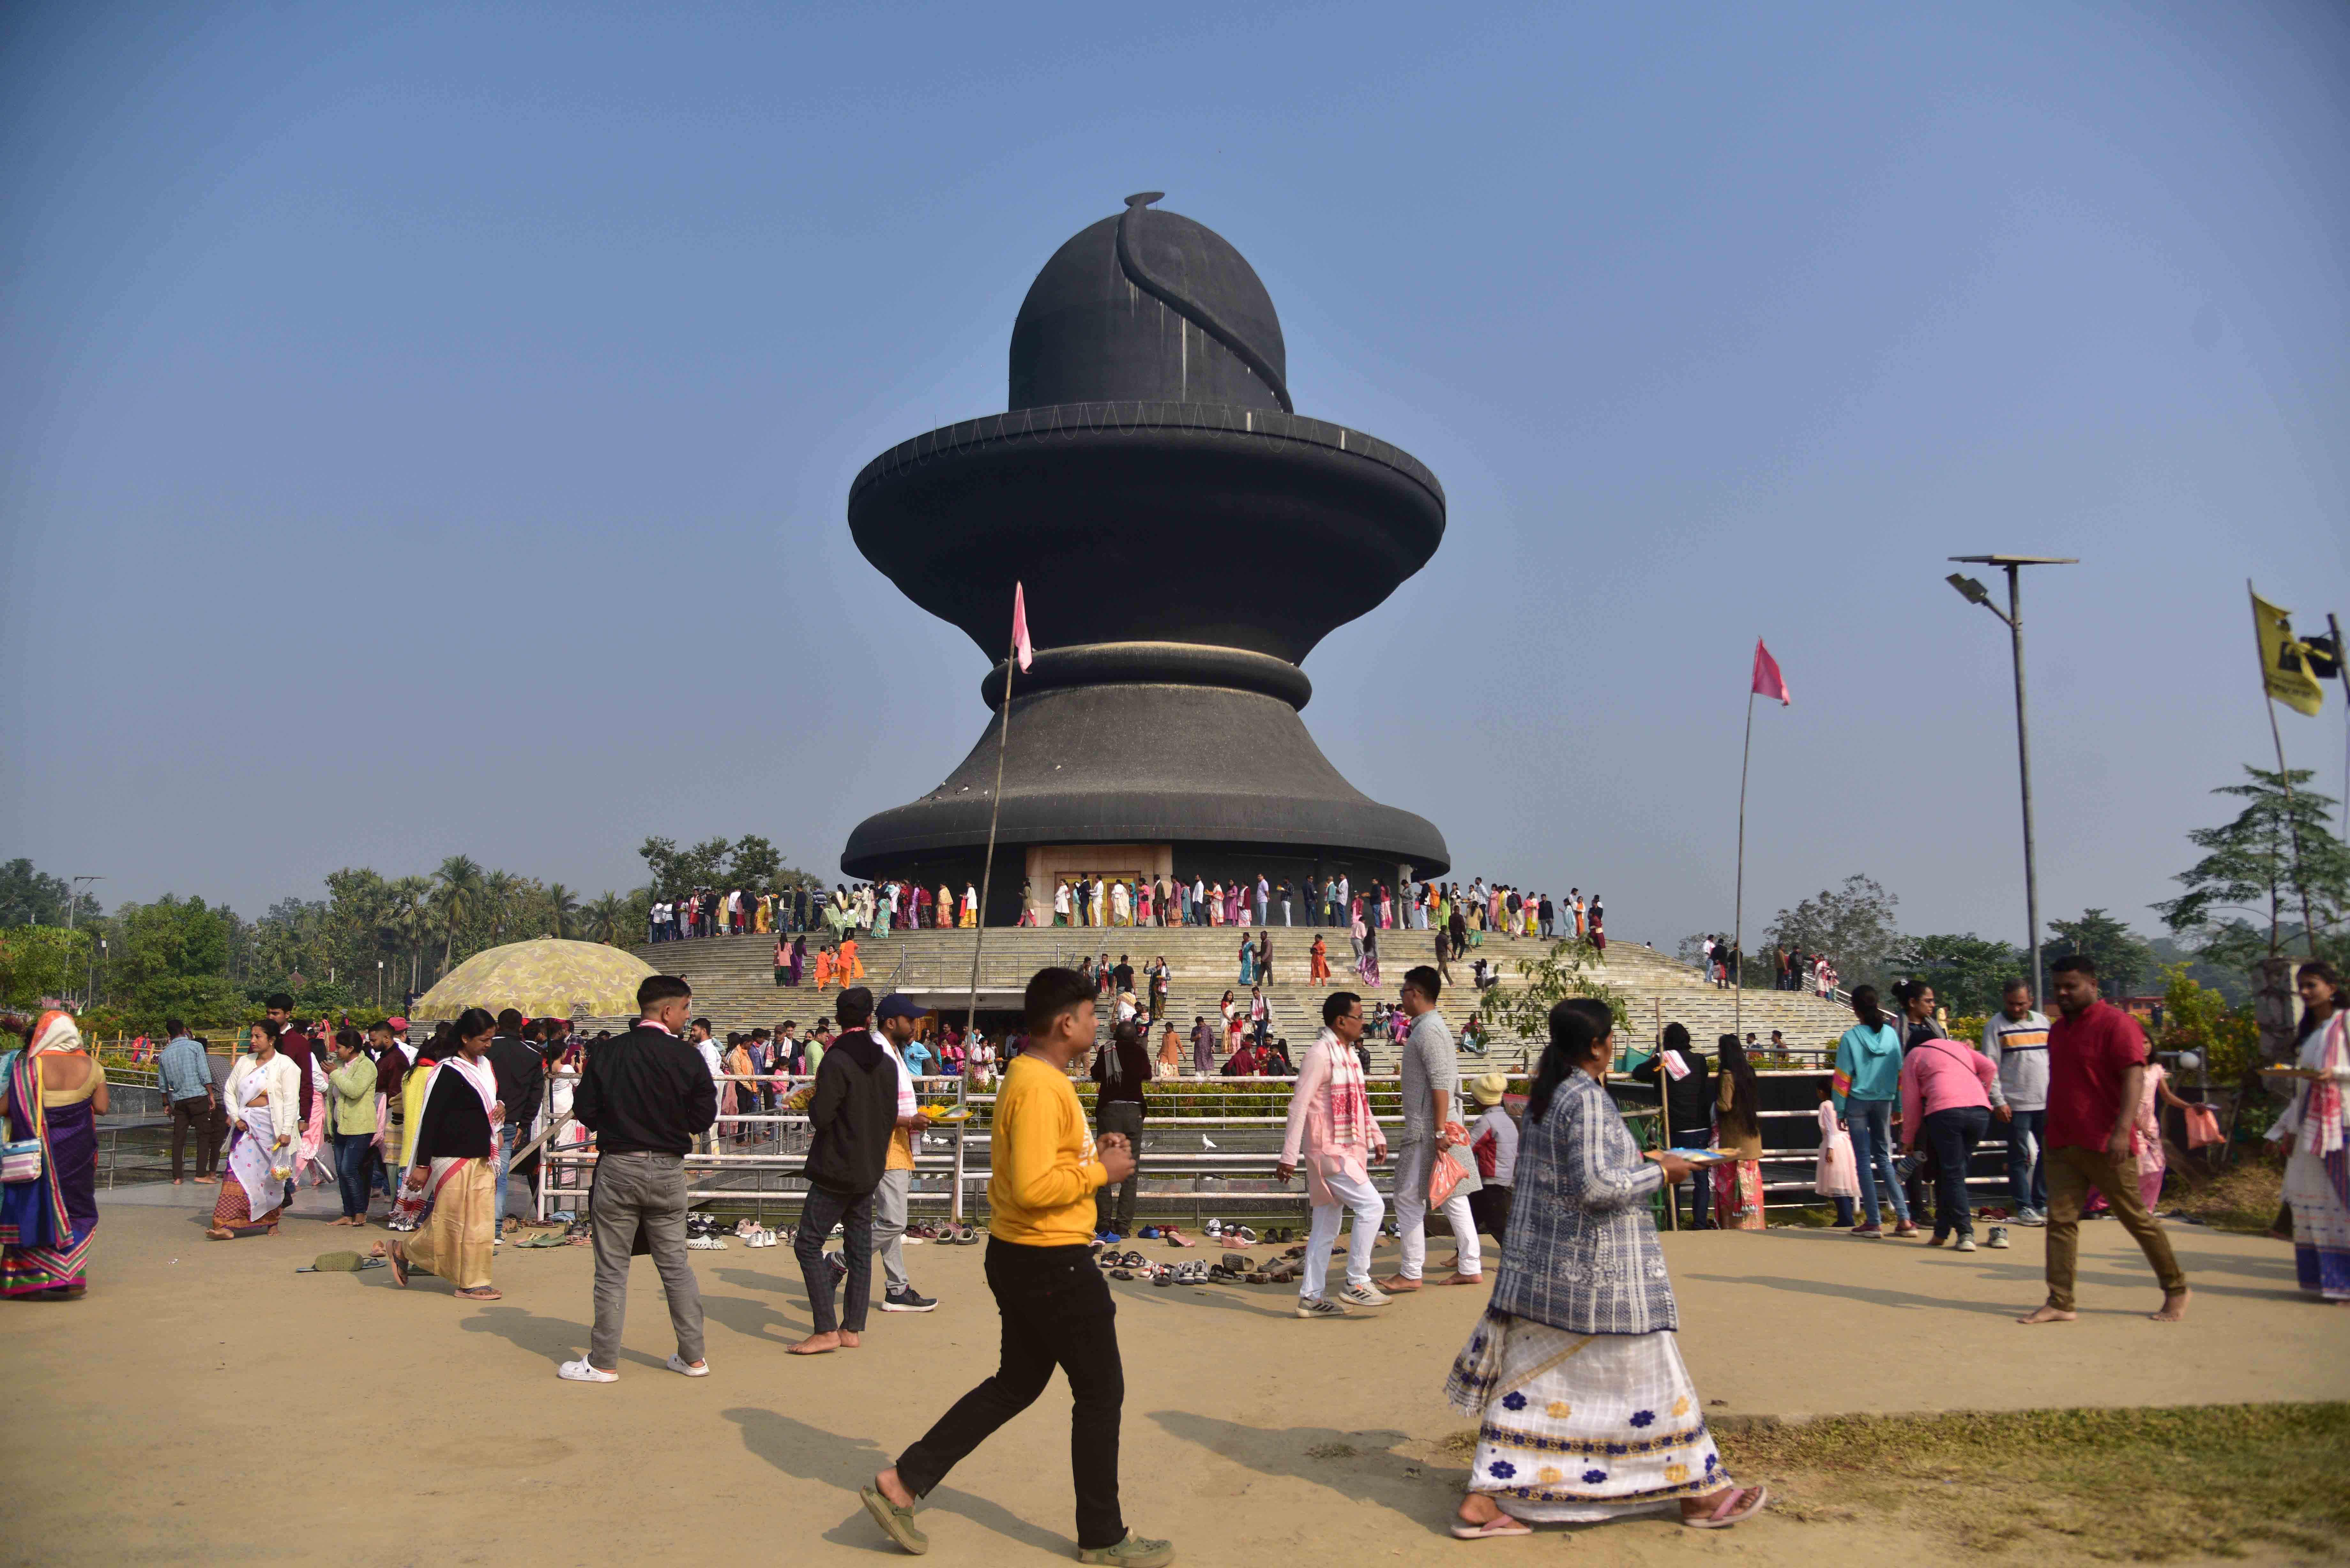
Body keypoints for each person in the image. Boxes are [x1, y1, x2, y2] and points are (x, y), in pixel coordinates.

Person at [864, 968, 1165, 1565]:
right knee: (1102, 1390)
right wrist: (1100, 1173)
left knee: (1017, 1384)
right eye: (1089, 1014)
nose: (1095, 1024)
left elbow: (1043, 1167)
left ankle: (903, 1482)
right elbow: (1031, 1186)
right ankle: (1103, 1535)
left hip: (1027, 1254)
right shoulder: (1038, 1085)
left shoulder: (1038, 1078)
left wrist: (1094, 1158)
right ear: (1065, 1023)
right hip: (1050, 1257)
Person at [1445, 999, 1764, 1539]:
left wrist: (1645, 1163)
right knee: (1654, 1379)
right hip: (1599, 1281)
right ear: (1596, 1045)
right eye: (1611, 1037)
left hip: (1546, 1275)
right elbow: (1594, 1187)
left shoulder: (1550, 1095)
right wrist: (1661, 1175)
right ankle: (1701, 1492)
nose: (1614, 1046)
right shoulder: (1585, 1099)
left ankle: (1488, 1495)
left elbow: (1574, 1176)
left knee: (1533, 1390)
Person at [2019, 955, 2190, 1325]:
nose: (2063, 993)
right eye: (2058, 987)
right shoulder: (2059, 1030)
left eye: (2071, 986)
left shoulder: (2118, 1025)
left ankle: (2176, 1288)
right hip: (2063, 1140)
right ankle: (2061, 1300)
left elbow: (2133, 1078)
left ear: (2093, 985)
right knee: (2060, 1221)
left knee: (2135, 1218)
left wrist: (2120, 1131)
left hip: (2107, 1141)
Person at [562, 975, 714, 1379]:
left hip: (619, 1165)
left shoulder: (610, 1052)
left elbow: (586, 1110)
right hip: (667, 1169)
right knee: (677, 1266)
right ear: (667, 1011)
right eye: (686, 1009)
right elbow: (703, 1118)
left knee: (612, 1270)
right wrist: (669, 1121)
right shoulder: (688, 1057)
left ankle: (604, 1362)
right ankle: (693, 1356)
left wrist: (623, 1119)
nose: (688, 1018)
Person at [790, 987, 901, 1355]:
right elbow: (887, 1117)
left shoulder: (835, 1059)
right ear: (870, 1018)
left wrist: (808, 1100)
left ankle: (825, 1328)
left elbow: (822, 1116)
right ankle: (852, 1327)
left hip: (836, 1167)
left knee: (808, 1242)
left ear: (838, 1020)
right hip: (870, 1165)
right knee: (858, 1247)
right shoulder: (885, 1061)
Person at [1278, 991, 1391, 1316]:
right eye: (1359, 1017)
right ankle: (1356, 1281)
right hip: (1329, 1150)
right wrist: (1289, 1156)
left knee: (1326, 1226)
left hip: (1348, 1147)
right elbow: (1298, 1104)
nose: (1364, 1023)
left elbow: (1360, 1101)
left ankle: (1311, 1297)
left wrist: (1376, 1134)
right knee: (1372, 1206)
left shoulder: (1350, 1055)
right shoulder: (1320, 1054)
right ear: (1341, 1021)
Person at [1379, 965, 1482, 1291]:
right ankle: (1470, 1265)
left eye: (1404, 990)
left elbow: (1440, 1083)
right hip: (1433, 1127)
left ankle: (1411, 1272)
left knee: (1408, 1197)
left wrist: (1438, 1131)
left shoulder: (1429, 1031)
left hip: (1429, 1131)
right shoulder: (1427, 1029)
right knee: (1452, 1196)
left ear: (1417, 993)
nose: (1401, 996)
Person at [388, 1007, 503, 1301]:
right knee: (450, 1221)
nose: (488, 1045)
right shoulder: (448, 1071)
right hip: (452, 1156)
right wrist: (423, 1164)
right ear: (465, 1038)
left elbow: (485, 1104)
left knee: (481, 1223)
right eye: (483, 1040)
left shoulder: (484, 1068)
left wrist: (501, 1108)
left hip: (482, 1155)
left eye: (491, 1039)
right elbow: (431, 1120)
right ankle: (405, 1251)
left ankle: (474, 1280)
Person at [1, 1011, 107, 1296]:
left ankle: (28, 1280)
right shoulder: (93, 1066)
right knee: (77, 1209)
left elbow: (5, 1108)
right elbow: (102, 1107)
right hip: (78, 1153)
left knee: (35, 1207)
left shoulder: (28, 1068)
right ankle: (68, 1276)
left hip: (37, 1155)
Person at [2267, 960, 2348, 1303]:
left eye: (2311, 984)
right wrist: (2287, 1127)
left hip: (2342, 1122)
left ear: (2332, 986)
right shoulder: (2314, 1031)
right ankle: (2331, 1282)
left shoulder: (2345, 1023)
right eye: (2301, 986)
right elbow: (2303, 1087)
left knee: (2343, 1204)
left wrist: (2336, 1072)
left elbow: (2328, 1075)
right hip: (2311, 1126)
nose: (2304, 992)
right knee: (2316, 1205)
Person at [1898, 1004, 1998, 1250]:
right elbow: (1990, 1068)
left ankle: (1966, 1233)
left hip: (1945, 1114)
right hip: (1980, 1112)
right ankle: (1941, 1232)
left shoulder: (1914, 1056)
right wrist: (1979, 1096)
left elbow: (1911, 1103)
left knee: (1953, 1175)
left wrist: (1908, 1138)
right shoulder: (1958, 1047)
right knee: (1951, 1174)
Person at [870, 993, 939, 1315]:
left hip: (895, 1141)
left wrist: (914, 1118)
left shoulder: (893, 1051)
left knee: (890, 1220)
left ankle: (897, 1288)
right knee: (894, 1222)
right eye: (910, 1020)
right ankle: (841, 1260)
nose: (915, 1025)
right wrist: (909, 1120)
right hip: (886, 1144)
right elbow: (873, 1108)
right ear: (890, 1022)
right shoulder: (879, 1053)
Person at [1833, 986, 1915, 1238]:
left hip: (1858, 1102)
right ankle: (1904, 1219)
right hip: (1885, 1102)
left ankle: (1874, 1221)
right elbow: (1900, 1073)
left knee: (1863, 1162)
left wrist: (1840, 1110)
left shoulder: (1850, 1037)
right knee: (1884, 1158)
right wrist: (1899, 1106)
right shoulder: (1891, 1034)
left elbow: (1843, 1078)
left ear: (1855, 1009)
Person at [208, 1020, 299, 1240]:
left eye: (258, 1037)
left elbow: (290, 1100)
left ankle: (271, 1222)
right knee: (236, 1175)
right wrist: (237, 1116)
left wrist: (286, 1130)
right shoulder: (245, 1063)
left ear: (272, 1040)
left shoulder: (286, 1065)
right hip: (246, 1128)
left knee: (270, 1180)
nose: (253, 1041)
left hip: (272, 1131)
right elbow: (229, 1091)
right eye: (252, 1036)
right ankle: (227, 1225)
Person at [1982, 980, 2051, 1223]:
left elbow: (2052, 1060)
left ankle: (2042, 1201)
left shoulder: (2044, 1022)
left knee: (2049, 1152)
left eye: (2021, 1004)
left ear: (2030, 1001)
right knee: (2018, 1156)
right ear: (2005, 1000)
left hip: (2044, 1101)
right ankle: (2024, 1206)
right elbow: (1990, 1068)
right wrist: (1999, 1101)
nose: (2017, 1009)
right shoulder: (1995, 1026)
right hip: (2015, 1104)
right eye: (2012, 1004)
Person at [1631, 1023, 1712, 1228]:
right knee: (1702, 1178)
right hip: (1701, 1126)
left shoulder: (1665, 1061)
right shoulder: (1700, 1060)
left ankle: (1674, 1221)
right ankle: (1700, 1224)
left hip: (1677, 1127)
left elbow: (1638, 1074)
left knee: (1674, 1175)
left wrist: (1655, 1058)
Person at [1091, 1018, 1151, 1241]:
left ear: (1116, 1037)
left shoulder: (1107, 1051)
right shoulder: (1139, 1052)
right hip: (1133, 1113)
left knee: (1104, 1171)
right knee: (1130, 1173)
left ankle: (1104, 1224)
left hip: (1109, 1113)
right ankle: (1124, 1226)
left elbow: (1096, 1074)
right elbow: (1148, 1074)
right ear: (1134, 1036)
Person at [487, 1009, 545, 1240]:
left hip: (480, 1119)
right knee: (500, 1176)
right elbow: (536, 1093)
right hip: (511, 1122)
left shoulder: (485, 1051)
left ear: (498, 1026)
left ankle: (477, 1227)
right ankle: (495, 1230)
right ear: (520, 1028)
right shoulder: (532, 1055)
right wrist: (525, 1124)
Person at [326, 1028, 379, 1227]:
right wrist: (328, 1126)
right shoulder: (339, 1065)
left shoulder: (367, 1066)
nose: (336, 1051)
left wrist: (334, 1074)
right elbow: (332, 1097)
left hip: (360, 1126)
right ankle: (348, 1213)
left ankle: (360, 1212)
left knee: (349, 1169)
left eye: (339, 1047)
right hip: (340, 1124)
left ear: (351, 1048)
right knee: (341, 1171)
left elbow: (354, 1091)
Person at [158, 1016, 220, 1186]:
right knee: (204, 1135)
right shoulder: (196, 1046)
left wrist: (166, 1104)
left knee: (179, 1138)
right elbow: (203, 1072)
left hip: (179, 1100)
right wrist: (211, 1094)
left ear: (168, 1034)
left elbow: (163, 1083)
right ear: (184, 1030)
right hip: (198, 1097)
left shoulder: (164, 1055)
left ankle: (178, 1177)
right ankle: (201, 1174)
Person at [1711, 1035, 1764, 1230]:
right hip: (1751, 1138)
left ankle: (1734, 1225)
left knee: (1731, 1187)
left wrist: (1713, 1105)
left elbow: (1725, 1105)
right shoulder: (1749, 1072)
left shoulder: (1727, 1075)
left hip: (1733, 1141)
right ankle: (1754, 1224)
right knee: (1751, 1185)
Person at [1465, 1073, 1518, 1244]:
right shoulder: (1507, 1120)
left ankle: (1512, 1258)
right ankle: (1461, 1255)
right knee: (1472, 1217)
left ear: (1480, 1100)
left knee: (1495, 1224)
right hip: (1502, 1178)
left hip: (1490, 1180)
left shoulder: (1486, 1122)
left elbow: (1469, 1146)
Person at [1814, 1082, 1859, 1226]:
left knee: (1836, 1181)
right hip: (1845, 1143)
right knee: (1843, 1180)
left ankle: (1846, 1218)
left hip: (1834, 1144)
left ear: (1822, 1091)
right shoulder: (1842, 1104)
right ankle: (1845, 1216)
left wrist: (1830, 1148)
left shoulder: (1826, 1105)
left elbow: (1831, 1128)